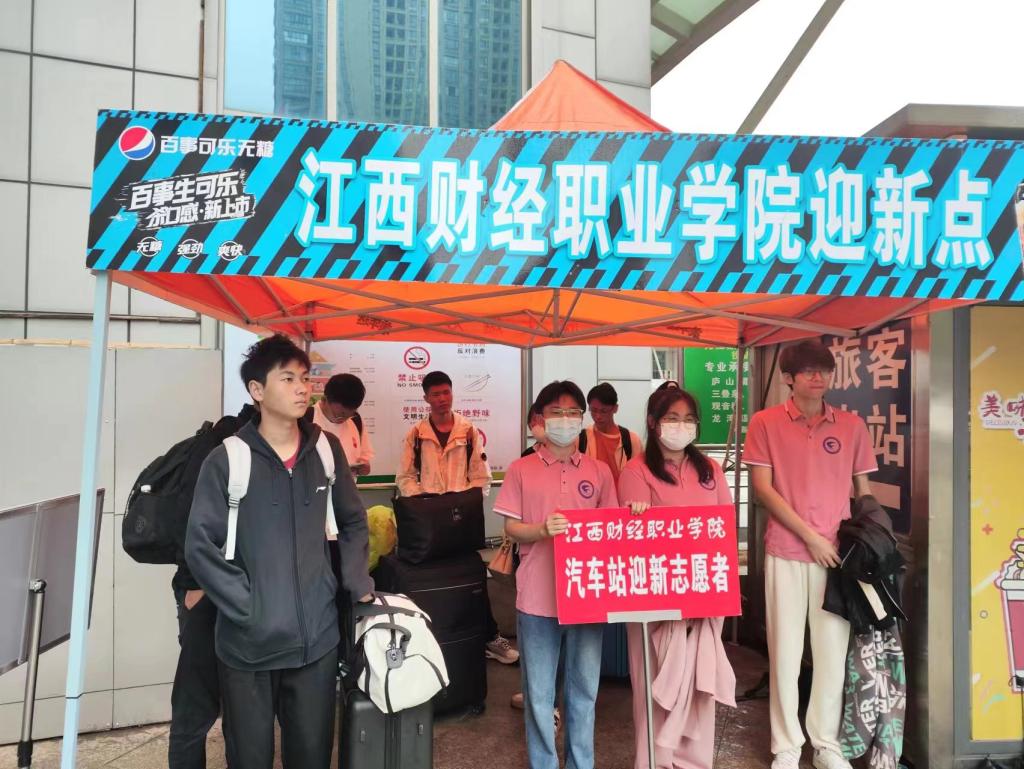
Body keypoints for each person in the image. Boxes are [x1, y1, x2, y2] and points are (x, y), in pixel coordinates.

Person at [185, 334, 374, 769]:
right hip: (248, 646)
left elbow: (353, 520)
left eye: (305, 378)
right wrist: (247, 606)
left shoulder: (325, 451)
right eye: (288, 379)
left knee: (311, 756)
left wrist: (353, 581)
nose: (302, 388)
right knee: (249, 757)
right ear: (257, 390)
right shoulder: (228, 459)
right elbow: (200, 544)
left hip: (316, 642)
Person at [742, 340, 877, 769]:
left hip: (837, 558)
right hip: (786, 551)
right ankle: (786, 746)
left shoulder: (852, 426)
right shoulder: (764, 423)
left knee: (832, 652)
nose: (818, 378)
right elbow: (763, 490)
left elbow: (864, 492)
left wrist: (869, 541)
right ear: (788, 378)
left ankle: (825, 744)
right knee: (784, 652)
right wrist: (810, 537)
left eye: (825, 370)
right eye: (808, 371)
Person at [495, 380, 619, 769]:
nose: (565, 419)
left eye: (572, 412)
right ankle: (543, 763)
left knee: (584, 691)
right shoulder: (521, 469)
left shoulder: (599, 471)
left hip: (587, 598)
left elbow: (612, 529)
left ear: (582, 419)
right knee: (538, 693)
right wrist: (540, 530)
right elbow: (511, 528)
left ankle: (582, 763)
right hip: (537, 597)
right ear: (540, 418)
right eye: (556, 412)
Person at [617, 388, 737, 769]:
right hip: (657, 601)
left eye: (688, 419)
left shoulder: (710, 470)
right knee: (656, 690)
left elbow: (724, 528)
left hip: (704, 595)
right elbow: (630, 536)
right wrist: (636, 514)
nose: (680, 426)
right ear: (653, 423)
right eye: (672, 418)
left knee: (699, 688)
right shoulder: (636, 471)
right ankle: (654, 762)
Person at [395, 370, 518, 665]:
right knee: (432, 582)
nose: (442, 399)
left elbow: (481, 477)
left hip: (461, 522)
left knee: (473, 577)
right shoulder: (416, 434)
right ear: (426, 398)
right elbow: (405, 477)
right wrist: (424, 504)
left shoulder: (468, 431)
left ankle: (489, 638)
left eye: (446, 392)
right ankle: (431, 641)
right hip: (427, 526)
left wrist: (463, 504)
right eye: (435, 394)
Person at [168, 402, 256, 769]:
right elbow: (189, 521)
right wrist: (195, 589)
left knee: (239, 705)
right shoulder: (223, 447)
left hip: (240, 592)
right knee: (196, 704)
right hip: (205, 592)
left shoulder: (258, 445)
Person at [312, 372, 374, 476]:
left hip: (349, 485)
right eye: (339, 415)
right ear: (324, 400)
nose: (343, 420)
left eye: (349, 415)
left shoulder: (355, 421)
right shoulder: (307, 419)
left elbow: (364, 459)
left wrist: (363, 468)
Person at [582, 383, 643, 484]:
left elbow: (639, 476)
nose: (598, 416)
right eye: (593, 410)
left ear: (615, 408)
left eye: (603, 411)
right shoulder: (582, 439)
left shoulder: (631, 440)